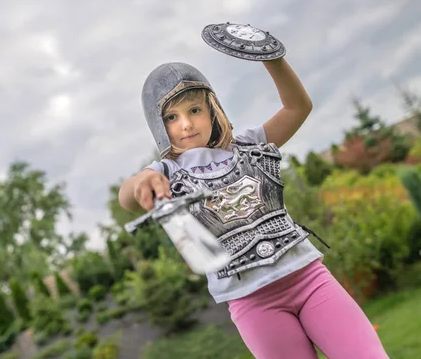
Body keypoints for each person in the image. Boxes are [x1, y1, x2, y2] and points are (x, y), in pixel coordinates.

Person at [118, 58, 388, 358]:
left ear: (211, 108)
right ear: (158, 124)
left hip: (309, 278)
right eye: (172, 116)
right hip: (252, 302)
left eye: (194, 110)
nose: (186, 123)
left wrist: (272, 59)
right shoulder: (164, 171)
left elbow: (297, 108)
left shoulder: (249, 144)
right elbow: (126, 198)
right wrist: (143, 178)